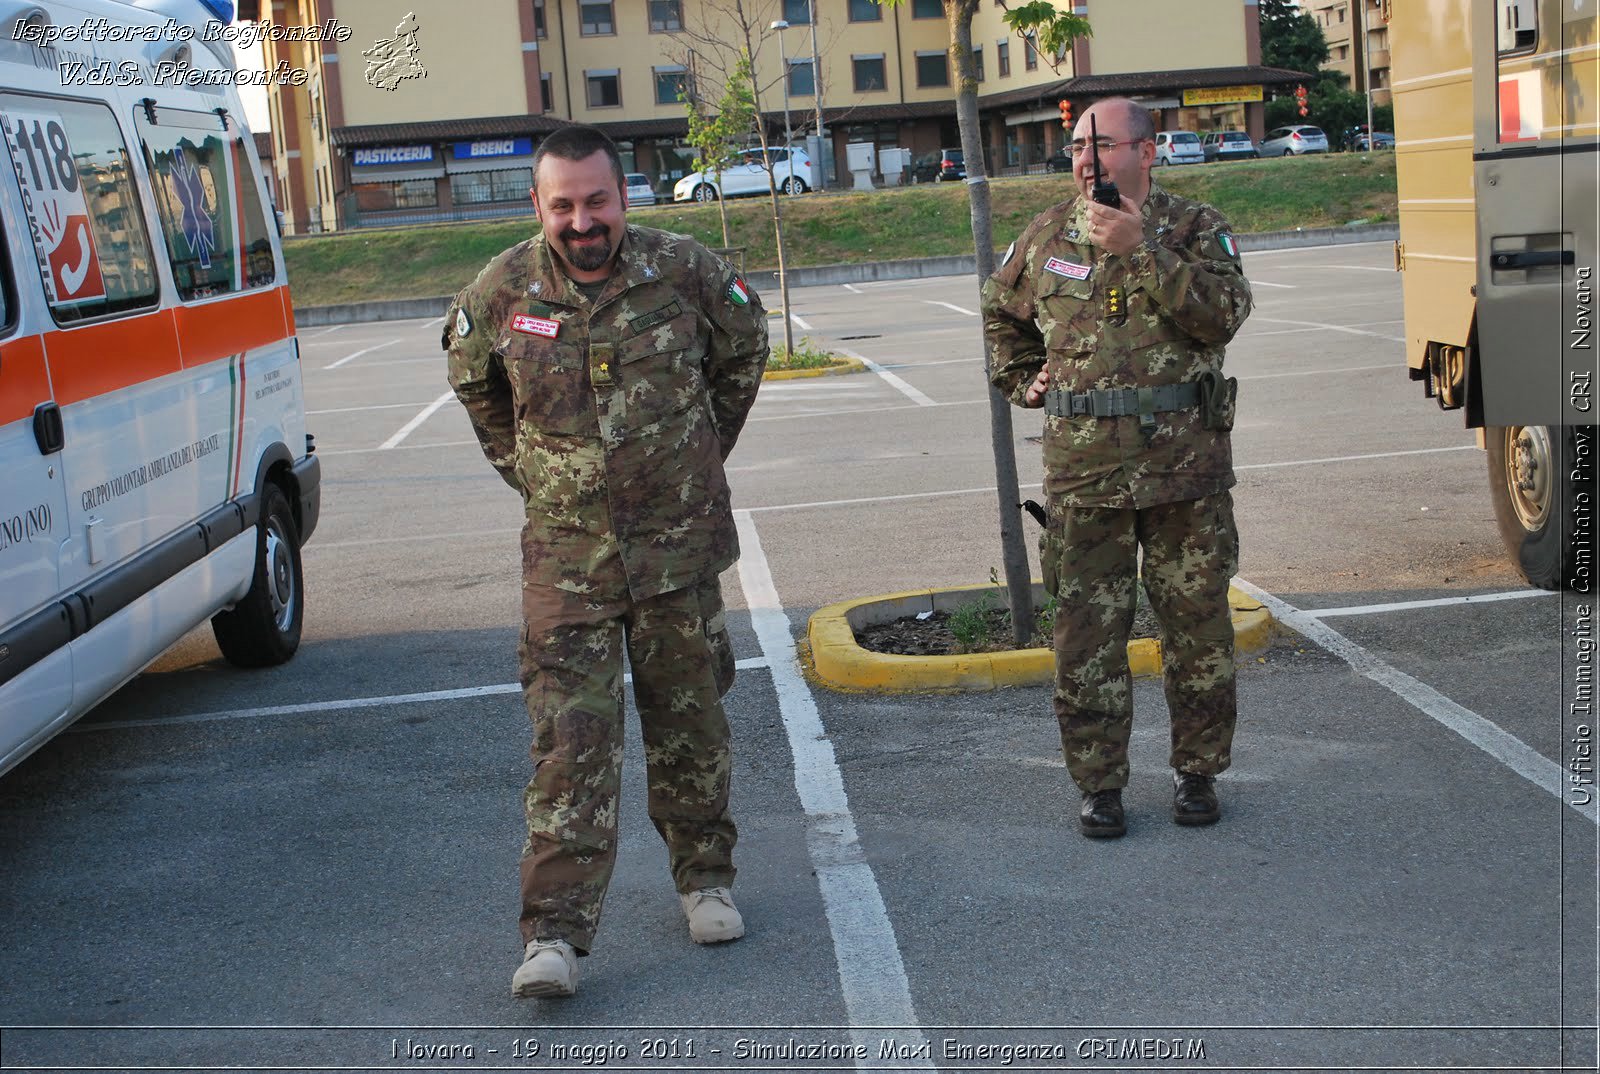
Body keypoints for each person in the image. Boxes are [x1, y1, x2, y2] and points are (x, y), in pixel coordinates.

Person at [443, 125, 768, 997]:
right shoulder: (503, 290)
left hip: (678, 551)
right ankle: (553, 935)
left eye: (596, 202)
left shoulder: (689, 272)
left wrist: (695, 460)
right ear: (539, 206)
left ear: (623, 198)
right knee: (568, 744)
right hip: (568, 564)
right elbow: (478, 390)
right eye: (564, 206)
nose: (582, 222)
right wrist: (541, 479)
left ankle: (706, 880)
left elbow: (744, 356)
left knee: (691, 722)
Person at [981, 98, 1253, 839]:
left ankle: (1198, 774)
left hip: (1185, 474)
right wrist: (1023, 378)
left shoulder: (1195, 227)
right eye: (1076, 147)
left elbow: (1223, 312)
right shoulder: (1045, 235)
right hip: (1084, 475)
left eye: (1102, 147)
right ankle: (1098, 785)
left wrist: (1140, 248)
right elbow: (1000, 316)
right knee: (1084, 638)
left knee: (1196, 632)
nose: (1085, 161)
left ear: (1147, 151)